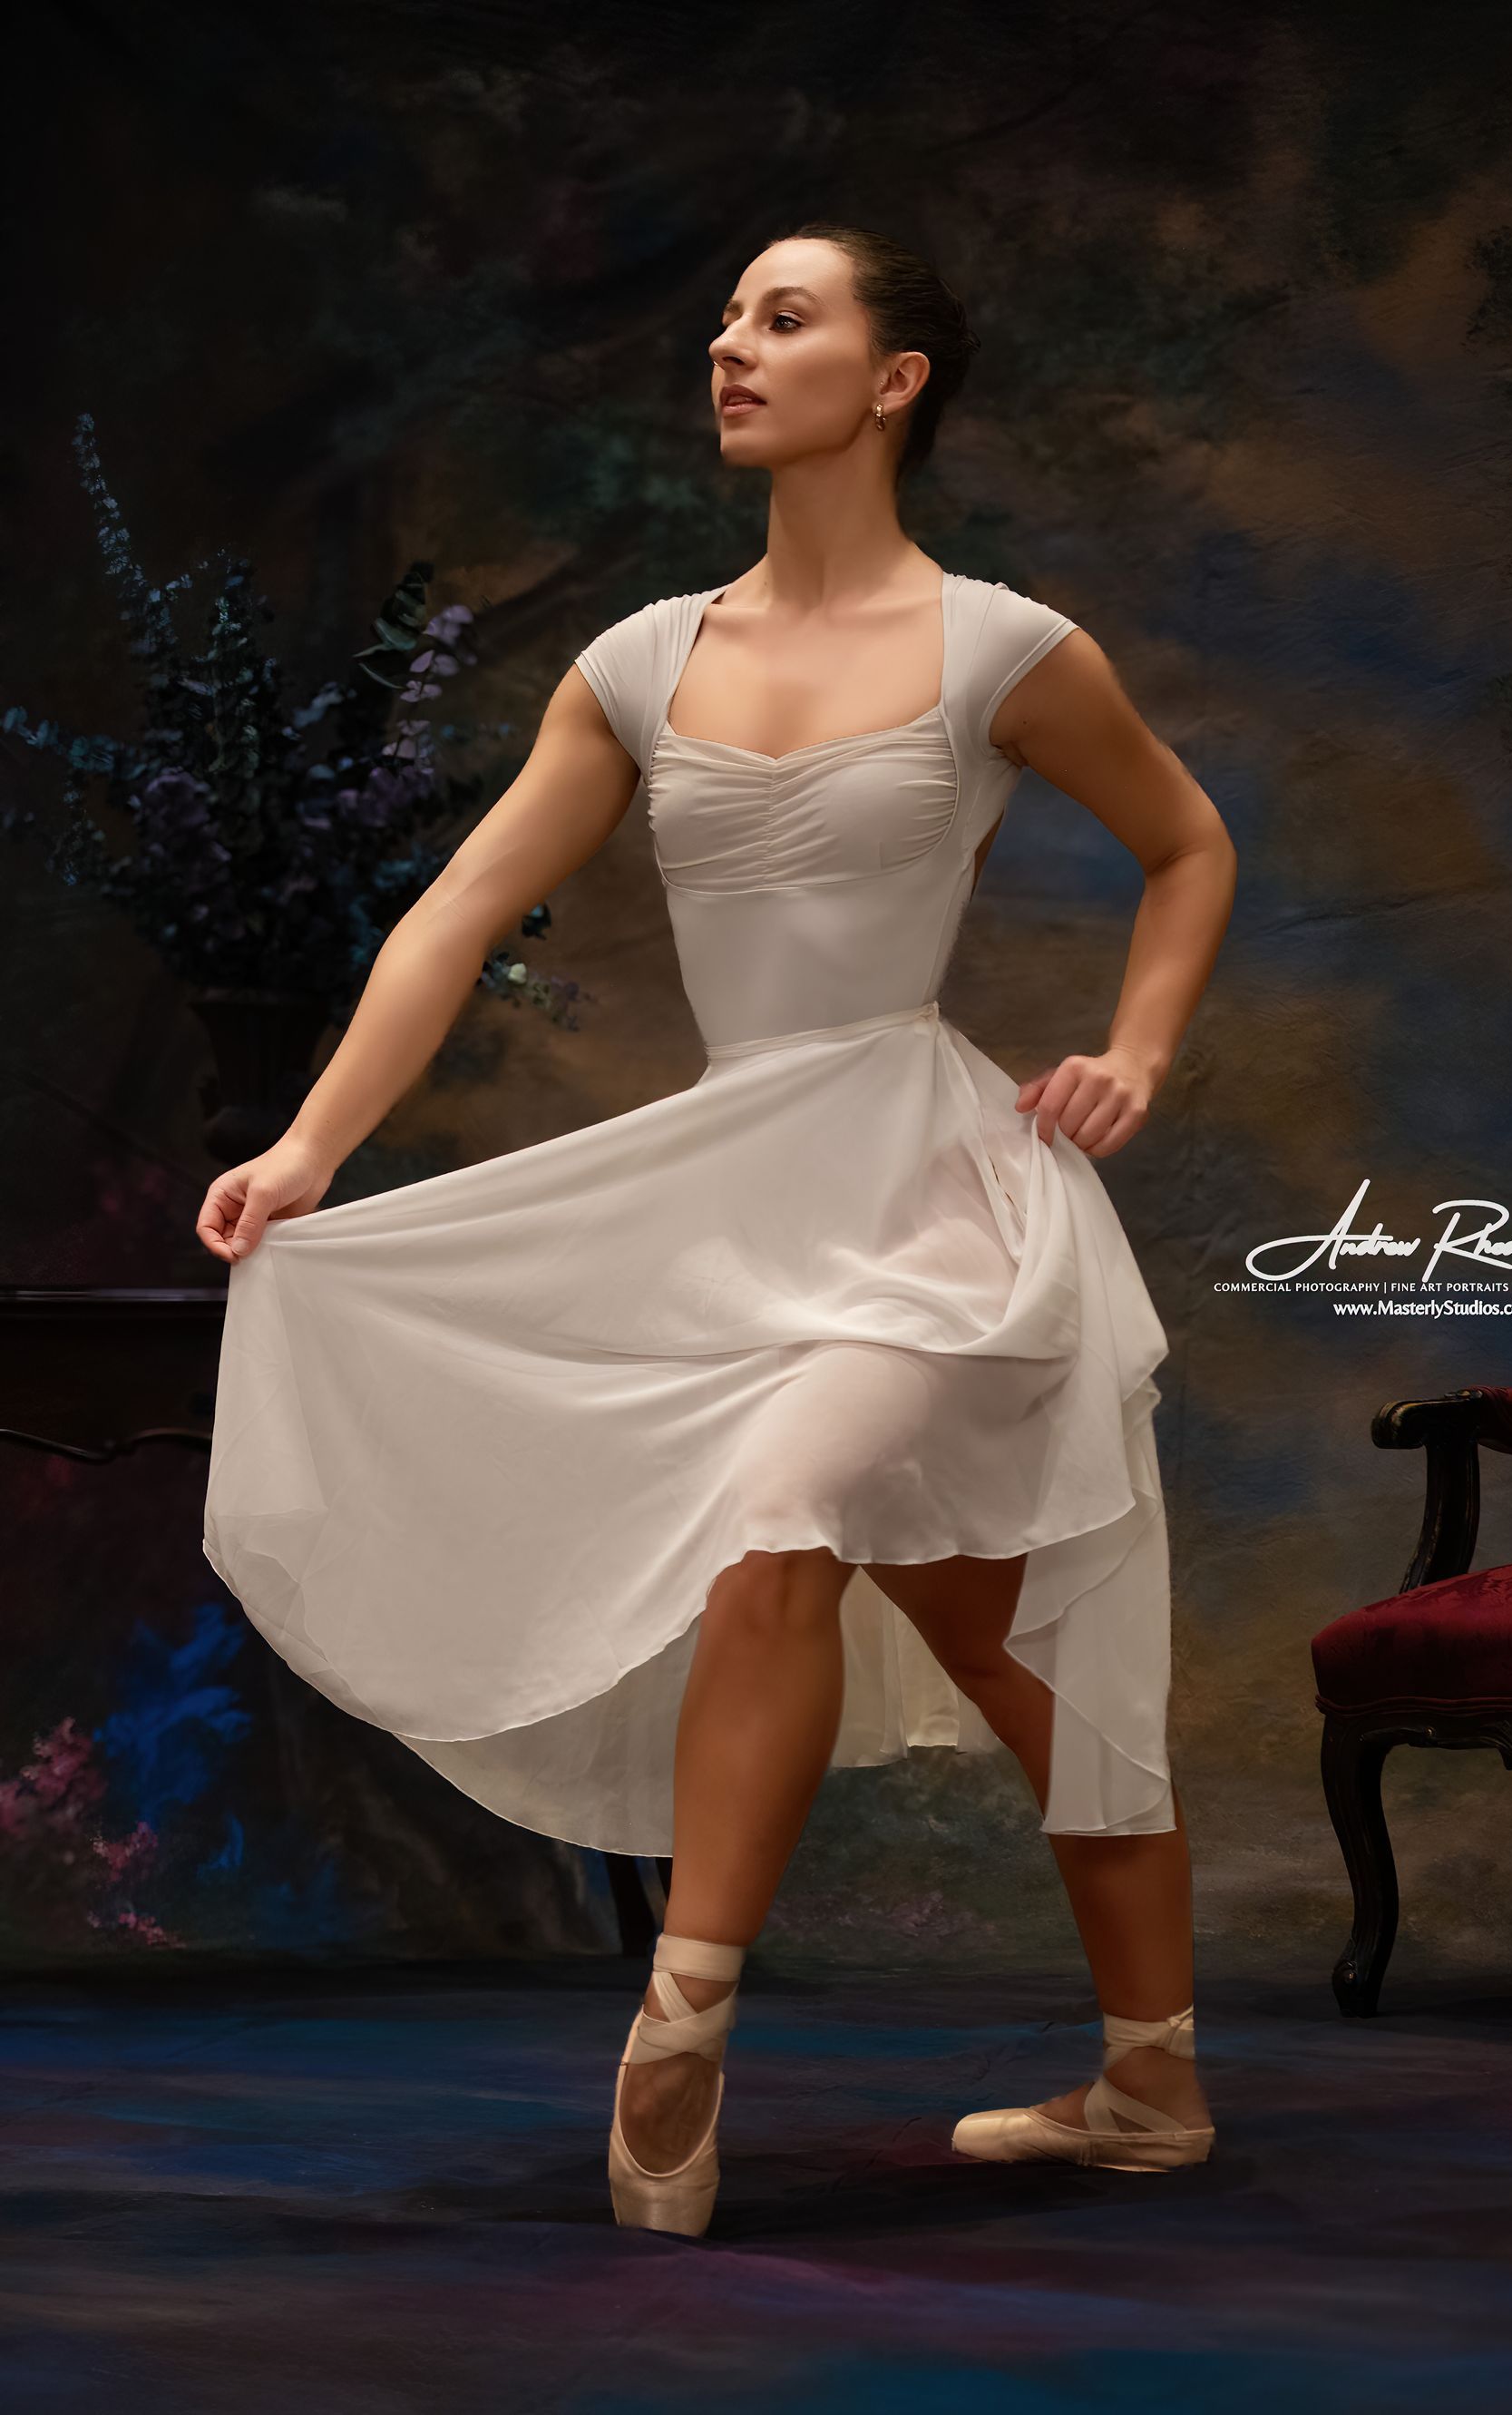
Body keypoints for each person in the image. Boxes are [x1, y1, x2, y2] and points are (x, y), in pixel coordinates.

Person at [196, 222, 1238, 2238]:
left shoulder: (1007, 647)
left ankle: (676, 2030)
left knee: (781, 1516)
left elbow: (1188, 841)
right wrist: (318, 1140)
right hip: (733, 1201)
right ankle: (1154, 2078)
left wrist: (1139, 1051)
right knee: (1019, 1652)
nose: (730, 346)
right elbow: (450, 911)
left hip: (935, 1206)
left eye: (785, 316)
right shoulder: (644, 662)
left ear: (896, 376)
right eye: (727, 319)